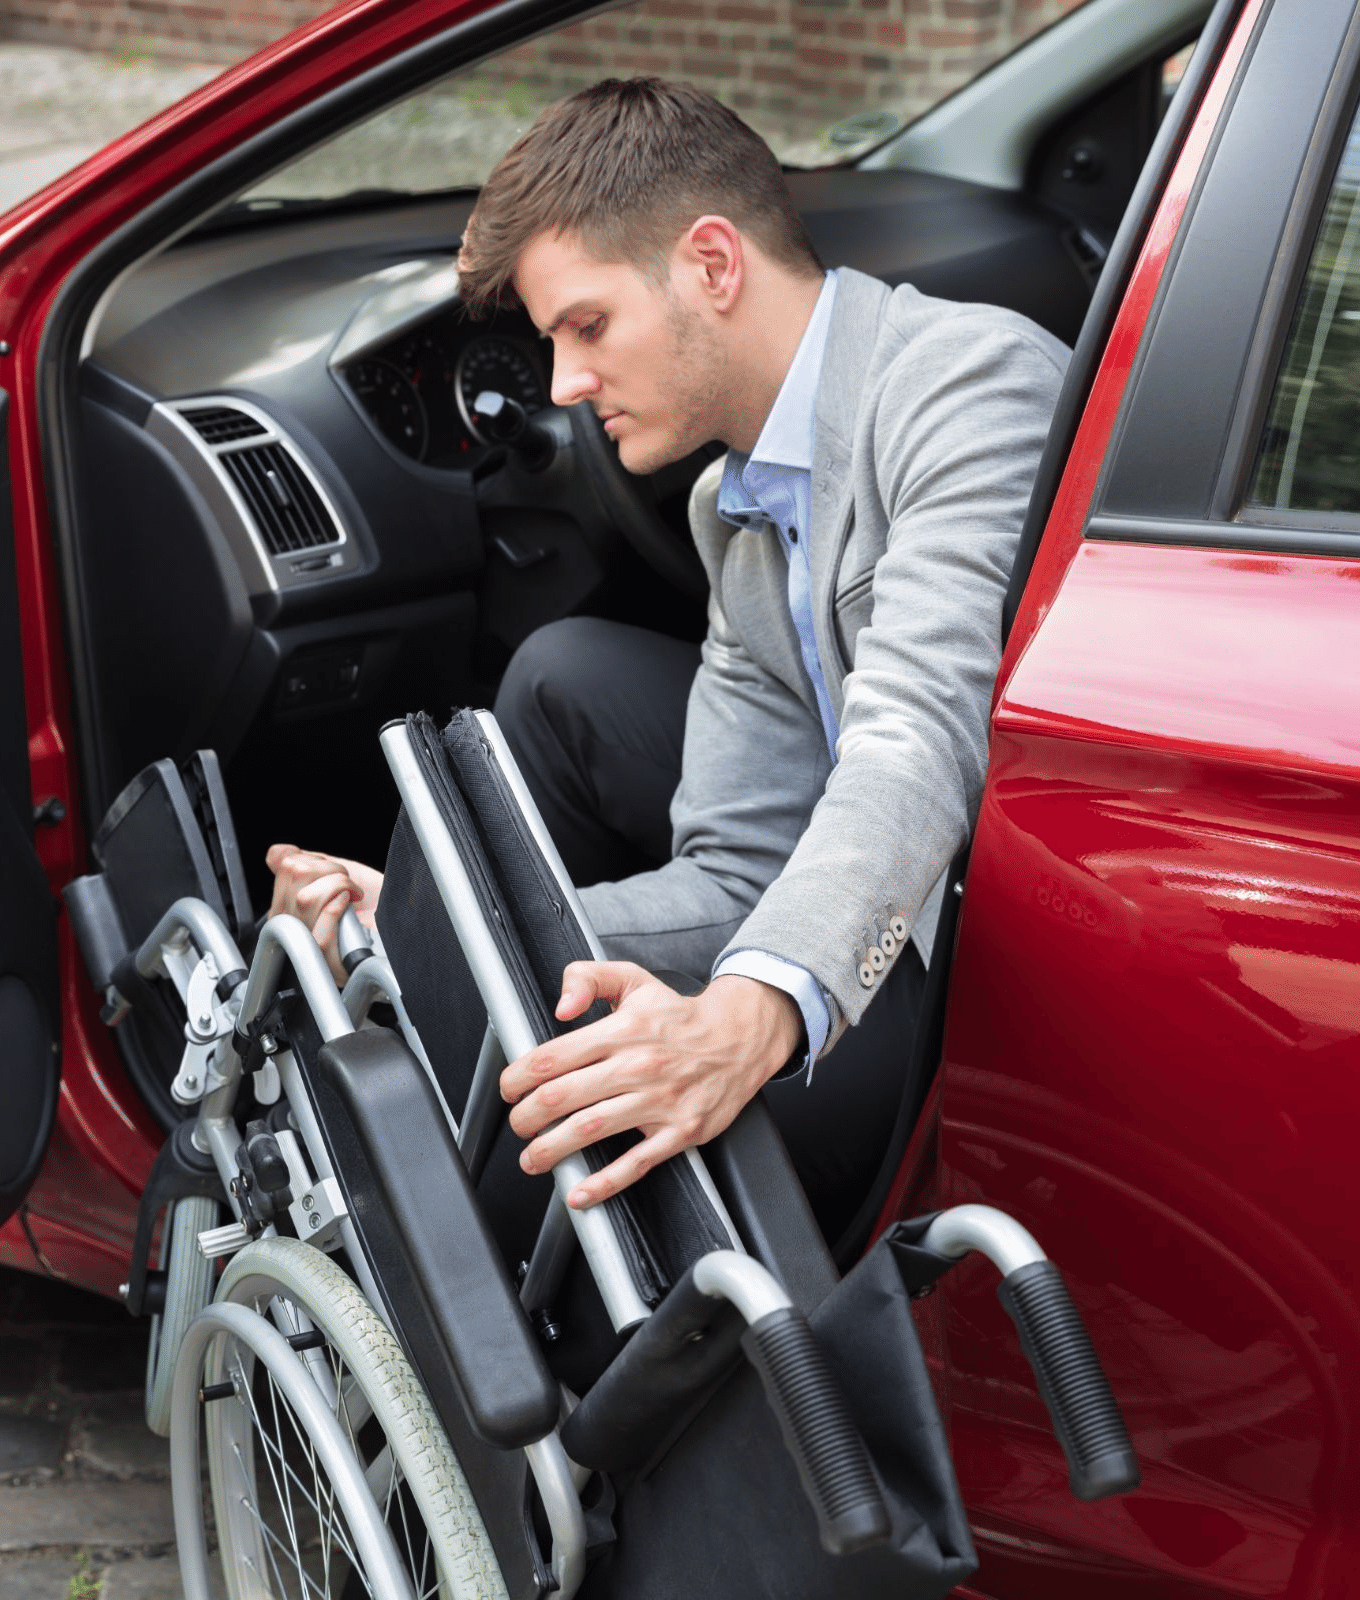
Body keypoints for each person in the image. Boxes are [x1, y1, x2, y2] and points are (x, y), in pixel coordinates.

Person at [269, 77, 1066, 1240]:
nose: (563, 386)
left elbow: (916, 743)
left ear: (712, 264)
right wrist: (437, 930)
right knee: (557, 685)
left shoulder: (966, 387)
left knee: (569, 1122)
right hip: (840, 885)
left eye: (586, 327)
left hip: (978, 948)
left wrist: (747, 1011)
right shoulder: (732, 507)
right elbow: (736, 866)